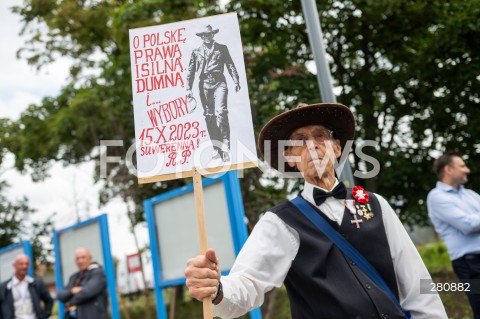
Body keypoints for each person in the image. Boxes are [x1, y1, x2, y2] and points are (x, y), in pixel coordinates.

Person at [185, 102, 447, 318]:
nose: (312, 145)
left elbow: (416, 283)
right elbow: (247, 284)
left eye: (320, 135)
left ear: (336, 147)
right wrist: (216, 287)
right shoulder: (279, 222)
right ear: (290, 156)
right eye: (300, 140)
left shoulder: (376, 204)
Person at [427, 151, 480, 318]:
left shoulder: (470, 194)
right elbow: (467, 225)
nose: (467, 170)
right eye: (462, 166)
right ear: (449, 170)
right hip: (470, 264)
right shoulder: (436, 197)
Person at [186, 24, 241, 162]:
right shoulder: (196, 51)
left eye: (208, 34)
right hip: (204, 85)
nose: (206, 37)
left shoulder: (222, 48)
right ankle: (216, 147)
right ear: (201, 37)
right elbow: (191, 71)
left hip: (219, 82)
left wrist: (236, 81)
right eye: (203, 35)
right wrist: (188, 88)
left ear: (212, 35)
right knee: (209, 116)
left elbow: (230, 65)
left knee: (221, 112)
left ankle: (226, 144)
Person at [57, 247, 108, 319]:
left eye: (83, 257)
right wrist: (72, 291)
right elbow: (60, 296)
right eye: (77, 259)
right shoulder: (74, 277)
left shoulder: (98, 273)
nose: (80, 261)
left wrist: (70, 301)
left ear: (90, 258)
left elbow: (87, 292)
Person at [0, 254, 53, 319]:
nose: (24, 266)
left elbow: (49, 300)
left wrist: (44, 316)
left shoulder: (36, 283)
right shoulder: (4, 287)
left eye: (27, 264)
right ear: (14, 265)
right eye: (21, 264)